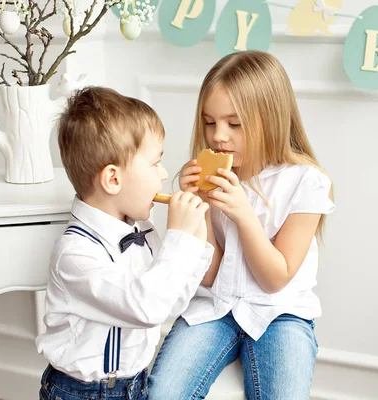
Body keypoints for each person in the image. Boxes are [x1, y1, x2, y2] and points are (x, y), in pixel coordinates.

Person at [148, 50, 336, 400]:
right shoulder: (208, 175)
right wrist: (199, 208)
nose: (219, 136)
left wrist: (244, 215)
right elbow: (209, 274)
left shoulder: (307, 183)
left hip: (281, 314)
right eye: (209, 122)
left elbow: (275, 278)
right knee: (163, 393)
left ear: (273, 119)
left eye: (234, 124)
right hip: (215, 306)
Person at [36, 86, 214, 400]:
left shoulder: (141, 230)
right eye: (154, 163)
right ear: (113, 179)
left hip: (134, 385)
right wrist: (179, 239)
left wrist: (195, 231)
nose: (163, 174)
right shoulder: (75, 255)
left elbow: (169, 303)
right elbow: (145, 307)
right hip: (82, 393)